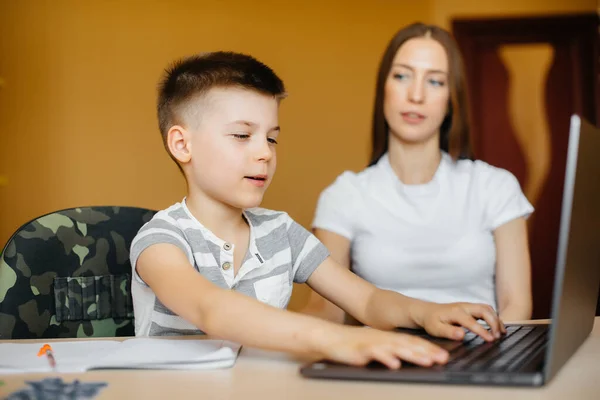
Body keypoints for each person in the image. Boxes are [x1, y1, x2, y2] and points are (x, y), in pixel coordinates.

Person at [130, 51, 505, 370]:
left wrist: (426, 313)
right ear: (182, 144)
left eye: (272, 137)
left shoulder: (281, 232)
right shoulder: (160, 241)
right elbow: (212, 310)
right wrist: (335, 340)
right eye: (242, 135)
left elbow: (368, 301)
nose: (265, 152)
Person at [309, 23, 534, 325]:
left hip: (479, 355)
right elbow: (326, 313)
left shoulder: (495, 186)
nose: (416, 95)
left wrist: (491, 356)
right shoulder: (344, 195)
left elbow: (516, 306)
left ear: (451, 98)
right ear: (383, 87)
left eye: (435, 82)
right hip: (385, 361)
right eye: (402, 76)